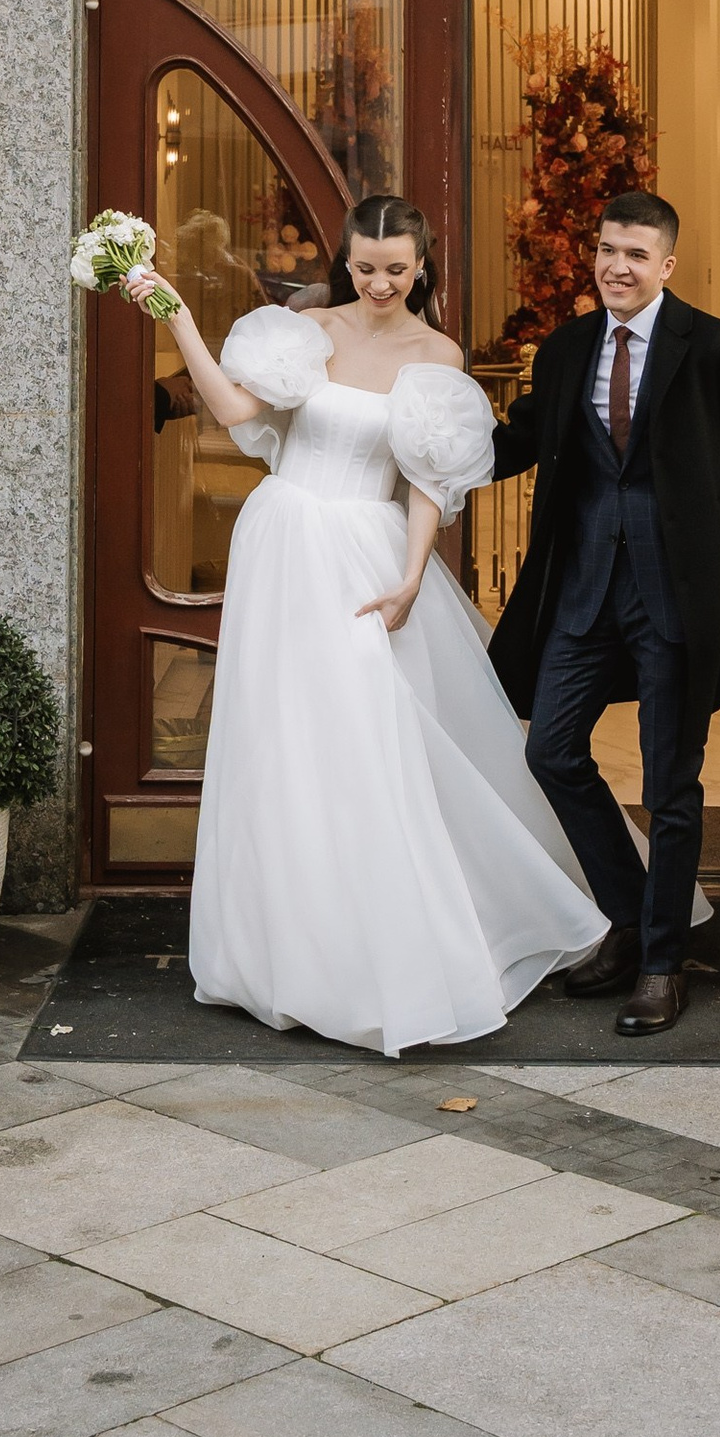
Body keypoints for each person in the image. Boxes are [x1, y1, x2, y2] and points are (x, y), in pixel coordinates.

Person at [119, 197, 607, 1054]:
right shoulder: (305, 328)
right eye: (367, 267)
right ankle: (276, 958)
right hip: (280, 543)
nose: (381, 284)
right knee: (278, 739)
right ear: (346, 262)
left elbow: (428, 478)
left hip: (365, 554)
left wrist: (414, 574)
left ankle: (381, 955)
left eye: (398, 268)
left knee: (364, 740)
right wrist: (182, 318)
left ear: (423, 266)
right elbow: (236, 414)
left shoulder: (438, 353)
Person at [487, 190, 720, 1039]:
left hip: (681, 594)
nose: (617, 267)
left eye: (636, 254)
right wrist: (417, 443)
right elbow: (516, 441)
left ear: (667, 265)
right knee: (550, 749)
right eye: (607, 250)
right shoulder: (563, 351)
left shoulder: (715, 349)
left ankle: (663, 963)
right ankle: (629, 918)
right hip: (584, 587)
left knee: (671, 781)